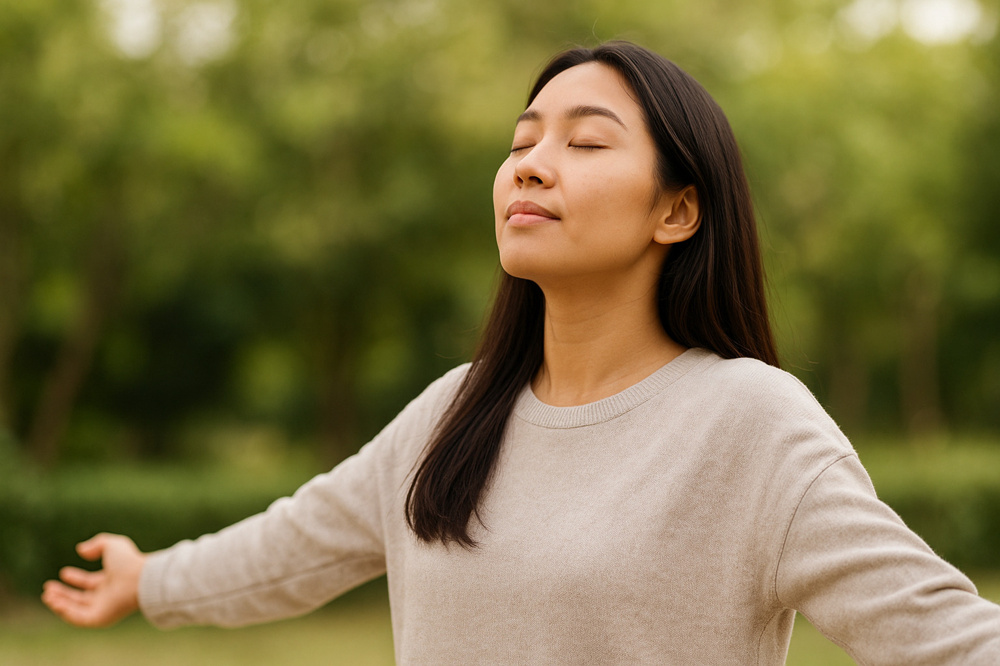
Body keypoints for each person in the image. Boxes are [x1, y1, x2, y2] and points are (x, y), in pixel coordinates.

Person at [42, 41, 1000, 663]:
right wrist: (149, 579)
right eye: (522, 142)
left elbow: (944, 635)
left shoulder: (749, 422)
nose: (531, 163)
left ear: (678, 210)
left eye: (586, 143)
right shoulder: (456, 411)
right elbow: (299, 543)